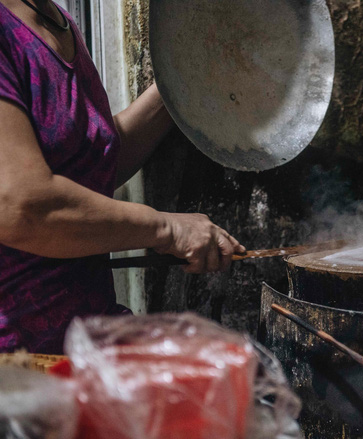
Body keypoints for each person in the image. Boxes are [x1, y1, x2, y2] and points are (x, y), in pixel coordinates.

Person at [0, 0, 245, 354]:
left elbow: (93, 164)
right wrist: (167, 228)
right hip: (20, 370)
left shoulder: (57, 20)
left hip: (86, 344)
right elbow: (21, 206)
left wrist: (184, 81)